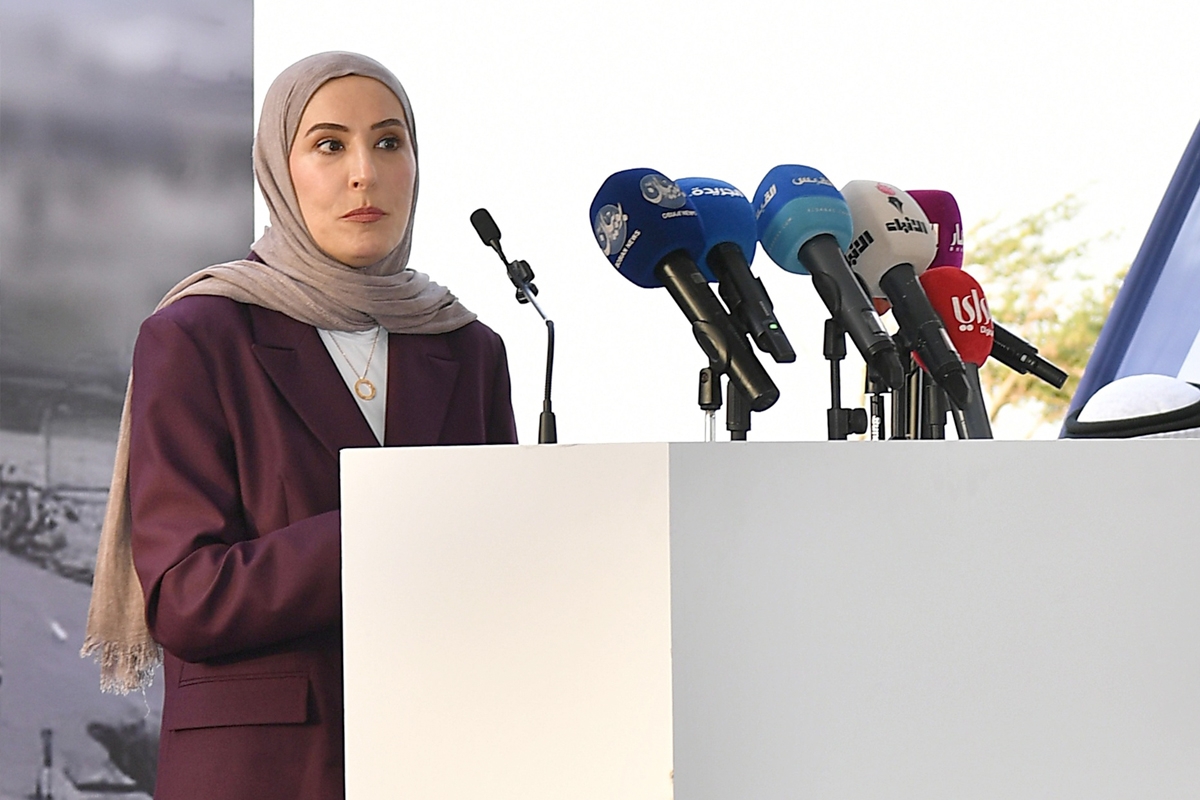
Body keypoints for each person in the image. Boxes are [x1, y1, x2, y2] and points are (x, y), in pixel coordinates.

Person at [82, 52, 518, 799]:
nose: (364, 173)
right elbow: (187, 596)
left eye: (389, 142)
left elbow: (497, 569)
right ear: (278, 171)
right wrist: (382, 527)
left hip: (442, 757)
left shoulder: (468, 347)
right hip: (264, 772)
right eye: (329, 145)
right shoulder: (197, 336)